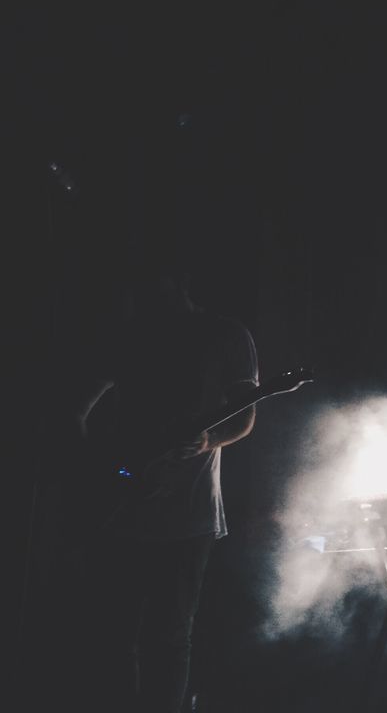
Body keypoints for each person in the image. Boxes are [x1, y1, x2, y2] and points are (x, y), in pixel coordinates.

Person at [79, 262, 259, 713]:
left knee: (169, 638)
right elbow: (74, 411)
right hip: (122, 509)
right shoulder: (129, 334)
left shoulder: (225, 334)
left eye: (151, 286)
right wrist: (107, 471)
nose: (142, 297)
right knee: (113, 636)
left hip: (189, 515)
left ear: (178, 282)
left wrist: (208, 440)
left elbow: (244, 416)